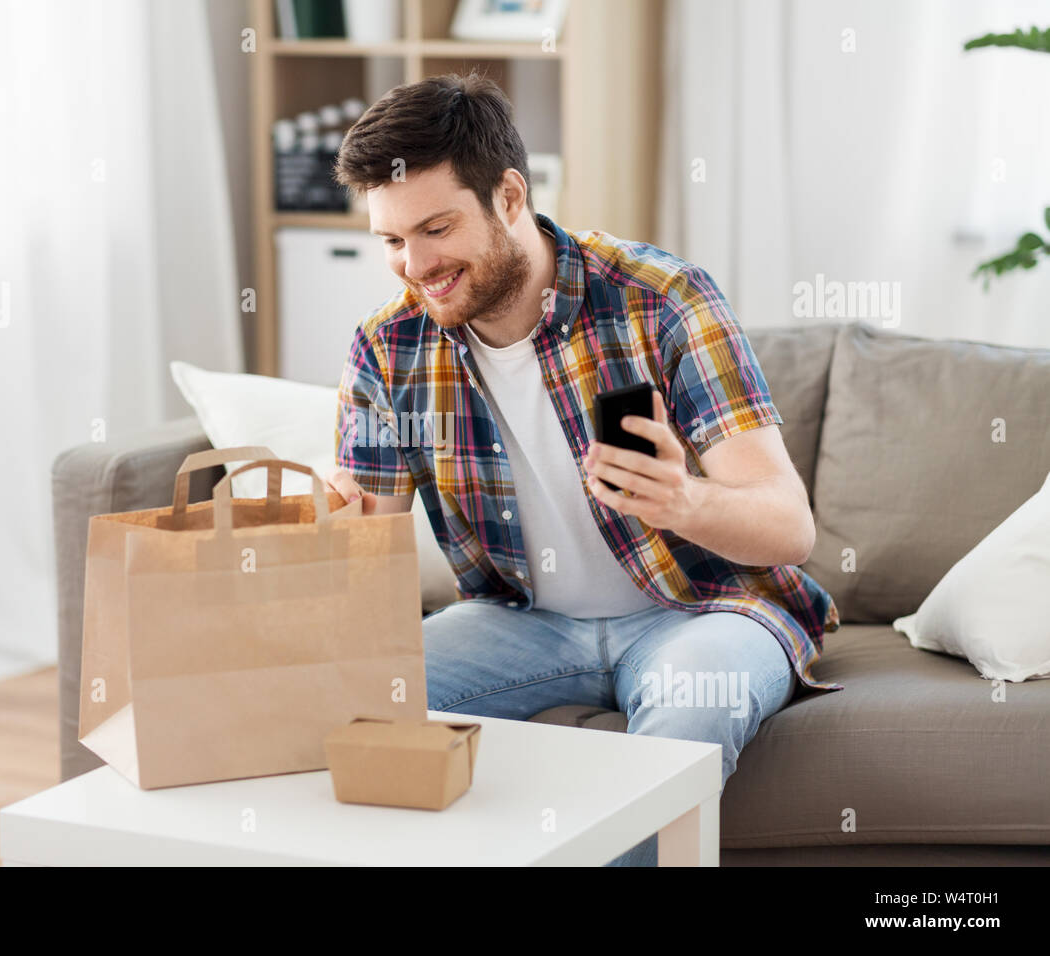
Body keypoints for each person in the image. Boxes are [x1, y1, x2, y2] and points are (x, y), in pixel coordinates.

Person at [326, 72, 841, 866]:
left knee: (688, 716)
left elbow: (789, 527)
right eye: (393, 241)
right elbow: (367, 550)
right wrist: (328, 528)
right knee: (352, 703)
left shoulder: (659, 298)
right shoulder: (388, 346)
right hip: (520, 621)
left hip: (701, 612)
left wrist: (684, 501)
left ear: (507, 197)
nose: (415, 266)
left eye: (435, 228)